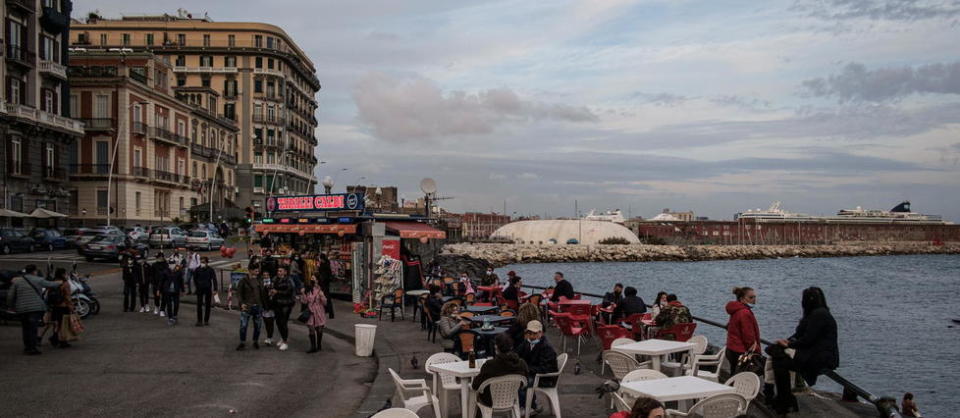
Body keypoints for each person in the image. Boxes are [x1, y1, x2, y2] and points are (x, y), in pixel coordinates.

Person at [771, 287, 839, 414]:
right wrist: (788, 342)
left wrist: (789, 344)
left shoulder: (818, 315)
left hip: (821, 357)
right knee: (777, 354)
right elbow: (800, 335)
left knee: (780, 362)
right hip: (816, 353)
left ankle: (783, 399)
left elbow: (807, 340)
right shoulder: (817, 314)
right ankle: (784, 399)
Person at [6, 265, 62, 355]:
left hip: (22, 308)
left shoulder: (17, 281)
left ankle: (27, 347)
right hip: (35, 308)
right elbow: (50, 284)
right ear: (34, 271)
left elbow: (10, 296)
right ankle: (32, 348)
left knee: (26, 328)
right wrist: (59, 282)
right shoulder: (38, 280)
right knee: (33, 328)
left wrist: (11, 306)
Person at [472, 333, 529, 407]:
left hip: (490, 401)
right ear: (511, 347)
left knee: (474, 393)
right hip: (512, 398)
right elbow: (525, 382)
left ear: (496, 347)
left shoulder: (490, 365)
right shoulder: (522, 363)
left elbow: (475, 385)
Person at [515, 320, 558, 415]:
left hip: (546, 378)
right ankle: (531, 405)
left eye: (534, 333)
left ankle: (527, 407)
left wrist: (526, 369)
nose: (531, 336)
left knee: (522, 382)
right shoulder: (527, 343)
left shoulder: (546, 347)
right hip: (534, 373)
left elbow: (545, 369)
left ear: (540, 333)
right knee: (517, 378)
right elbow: (516, 354)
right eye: (529, 333)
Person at [726, 287, 760, 376]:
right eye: (751, 297)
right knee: (741, 376)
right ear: (742, 299)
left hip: (731, 348)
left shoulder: (736, 310)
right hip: (741, 351)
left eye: (754, 297)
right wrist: (757, 350)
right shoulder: (745, 313)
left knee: (733, 374)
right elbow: (748, 336)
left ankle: (731, 388)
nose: (754, 300)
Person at [236, 268, 264, 350]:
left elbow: (262, 293)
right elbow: (239, 293)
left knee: (258, 326)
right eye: (255, 270)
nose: (257, 272)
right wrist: (241, 303)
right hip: (247, 306)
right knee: (243, 326)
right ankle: (242, 342)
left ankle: (255, 341)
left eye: (258, 270)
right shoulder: (243, 280)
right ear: (250, 270)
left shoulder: (259, 280)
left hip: (258, 306)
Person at [46, 268, 74, 349]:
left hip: (55, 306)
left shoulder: (53, 282)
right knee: (63, 324)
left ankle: (55, 337)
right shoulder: (65, 283)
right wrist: (71, 306)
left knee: (57, 323)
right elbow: (68, 296)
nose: (66, 274)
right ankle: (62, 341)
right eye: (65, 273)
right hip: (63, 306)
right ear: (63, 274)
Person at [270, 266, 296, 351]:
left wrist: (277, 292)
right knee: (278, 322)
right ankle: (282, 337)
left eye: (280, 271)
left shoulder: (289, 280)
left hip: (286, 304)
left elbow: (289, 291)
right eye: (278, 271)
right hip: (277, 303)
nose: (278, 272)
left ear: (285, 272)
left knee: (283, 322)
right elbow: (272, 287)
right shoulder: (275, 279)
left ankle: (285, 342)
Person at [299, 279, 327, 353]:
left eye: (315, 280)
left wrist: (322, 296)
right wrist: (303, 294)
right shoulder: (308, 290)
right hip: (311, 311)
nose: (314, 282)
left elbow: (325, 303)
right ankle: (313, 347)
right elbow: (304, 301)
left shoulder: (320, 290)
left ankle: (319, 344)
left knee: (319, 329)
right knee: (311, 329)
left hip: (319, 312)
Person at [193, 256, 218, 326]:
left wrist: (215, 289)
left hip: (208, 288)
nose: (202, 263)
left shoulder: (210, 270)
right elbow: (194, 278)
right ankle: (199, 321)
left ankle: (206, 320)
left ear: (207, 262)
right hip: (200, 289)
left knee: (207, 305)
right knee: (199, 305)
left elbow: (214, 279)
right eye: (201, 262)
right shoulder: (197, 269)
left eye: (203, 262)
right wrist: (197, 286)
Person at [260, 270, 277, 346]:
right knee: (266, 322)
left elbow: (274, 294)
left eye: (267, 275)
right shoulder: (261, 284)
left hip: (271, 306)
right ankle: (269, 336)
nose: (266, 276)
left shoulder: (272, 284)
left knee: (270, 322)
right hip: (264, 306)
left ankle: (269, 337)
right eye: (264, 275)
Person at [317, 253, 334, 319]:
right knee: (325, 298)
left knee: (327, 298)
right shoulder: (326, 264)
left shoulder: (324, 265)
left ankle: (330, 313)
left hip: (324, 284)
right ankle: (327, 311)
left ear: (321, 258)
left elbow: (323, 275)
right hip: (325, 283)